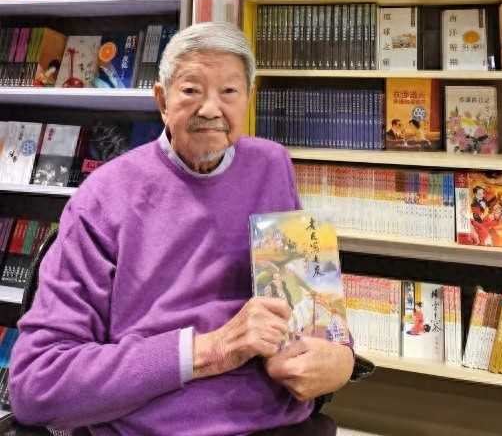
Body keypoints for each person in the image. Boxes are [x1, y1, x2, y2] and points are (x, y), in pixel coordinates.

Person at [9, 22, 354, 436]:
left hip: (277, 426)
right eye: (191, 90)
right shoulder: (103, 197)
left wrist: (341, 359)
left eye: (229, 91)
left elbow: (310, 307)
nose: (210, 109)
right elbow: (36, 384)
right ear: (162, 101)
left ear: (247, 98)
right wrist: (213, 349)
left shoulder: (271, 165)